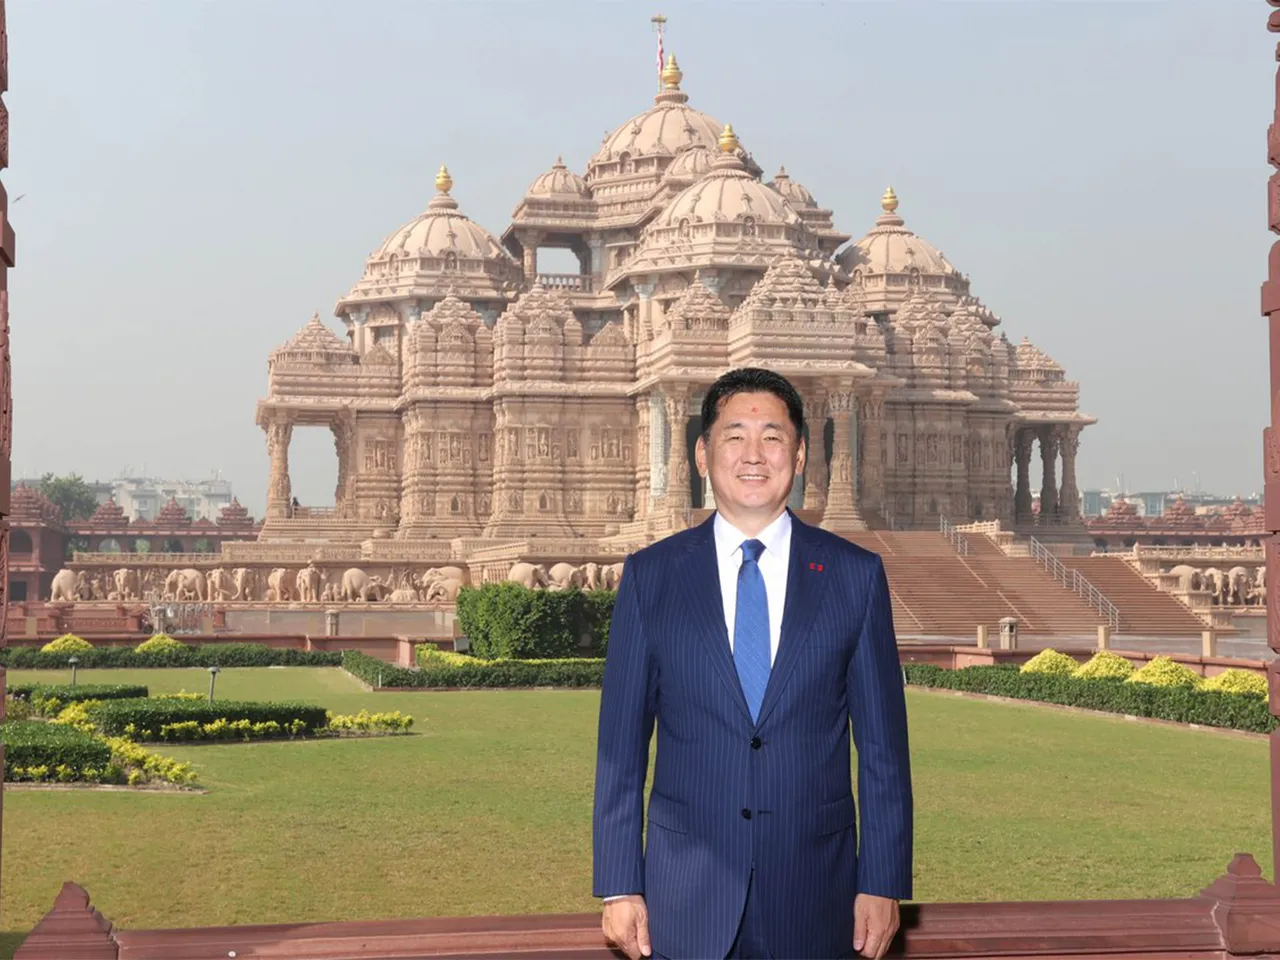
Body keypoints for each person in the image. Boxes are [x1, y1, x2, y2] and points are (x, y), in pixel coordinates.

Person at [592, 367, 912, 960]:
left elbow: (884, 751)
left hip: (817, 891)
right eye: (735, 435)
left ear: (800, 452)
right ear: (702, 452)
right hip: (684, 892)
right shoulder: (651, 577)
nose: (754, 455)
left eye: (772, 436)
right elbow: (620, 749)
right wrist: (618, 883)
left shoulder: (854, 575)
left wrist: (883, 880)